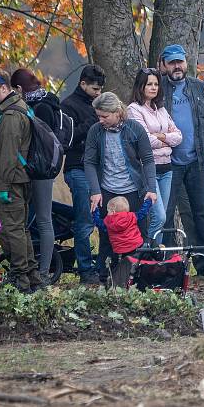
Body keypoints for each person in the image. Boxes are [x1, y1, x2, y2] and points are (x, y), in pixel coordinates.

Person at [160, 44, 204, 278]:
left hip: (197, 162)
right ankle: (168, 265)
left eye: (180, 61)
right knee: (165, 215)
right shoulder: (157, 90)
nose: (177, 66)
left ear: (186, 63)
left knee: (202, 213)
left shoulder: (200, 88)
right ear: (163, 65)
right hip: (168, 164)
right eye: (172, 62)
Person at [84, 92, 157, 287]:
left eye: (104, 116)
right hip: (107, 190)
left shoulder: (135, 129)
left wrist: (151, 188)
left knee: (138, 235)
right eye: (98, 116)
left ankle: (140, 278)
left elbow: (148, 159)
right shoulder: (95, 131)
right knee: (108, 236)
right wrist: (95, 191)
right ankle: (107, 279)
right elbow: (89, 162)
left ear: (117, 112)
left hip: (133, 190)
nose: (100, 120)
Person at [0, 69, 40, 293]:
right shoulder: (17, 108)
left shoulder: (11, 115)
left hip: (9, 183)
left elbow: (9, 154)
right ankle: (32, 277)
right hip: (16, 181)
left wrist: (3, 188)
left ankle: (20, 280)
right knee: (20, 230)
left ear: (5, 88)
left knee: (10, 230)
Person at [10, 68, 59, 279]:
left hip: (39, 170)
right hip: (45, 169)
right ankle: (38, 268)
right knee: (40, 219)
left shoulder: (38, 108)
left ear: (20, 88)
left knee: (43, 220)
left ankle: (43, 271)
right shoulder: (48, 102)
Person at [61, 64, 105, 284]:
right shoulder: (68, 106)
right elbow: (66, 140)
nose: (98, 93)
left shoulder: (100, 104)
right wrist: (93, 121)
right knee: (85, 221)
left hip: (100, 171)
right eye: (94, 89)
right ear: (83, 84)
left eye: (100, 90)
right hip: (77, 168)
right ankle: (85, 270)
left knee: (105, 219)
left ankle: (103, 266)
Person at [127, 68, 182, 244]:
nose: (153, 87)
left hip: (167, 169)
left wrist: (162, 137)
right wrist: (166, 140)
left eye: (156, 84)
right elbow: (145, 141)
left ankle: (154, 260)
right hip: (148, 170)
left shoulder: (161, 110)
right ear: (140, 86)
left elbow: (178, 136)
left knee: (162, 218)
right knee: (159, 216)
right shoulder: (133, 110)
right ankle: (147, 250)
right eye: (149, 84)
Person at [102, 196, 144, 288]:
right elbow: (143, 212)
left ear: (113, 211)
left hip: (119, 251)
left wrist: (94, 212)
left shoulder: (108, 222)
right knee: (135, 265)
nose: (107, 214)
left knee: (117, 267)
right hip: (136, 247)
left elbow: (98, 223)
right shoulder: (132, 216)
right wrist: (148, 202)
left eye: (108, 211)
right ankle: (134, 281)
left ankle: (115, 283)